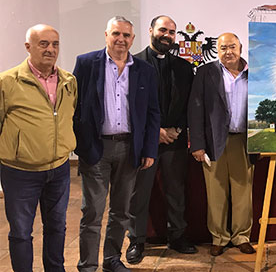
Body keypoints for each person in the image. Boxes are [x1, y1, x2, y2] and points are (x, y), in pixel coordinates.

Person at [74, 16, 160, 272]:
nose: (121, 39)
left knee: (121, 211)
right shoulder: (87, 63)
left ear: (133, 39)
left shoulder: (145, 70)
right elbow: (75, 107)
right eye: (116, 34)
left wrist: (149, 149)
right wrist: (82, 145)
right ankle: (87, 265)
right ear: (106, 35)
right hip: (96, 149)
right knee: (93, 212)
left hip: (129, 149)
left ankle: (112, 259)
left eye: (126, 35)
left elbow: (153, 113)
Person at [0, 24, 77, 272]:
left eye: (55, 44)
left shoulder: (68, 80)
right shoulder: (7, 81)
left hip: (59, 169)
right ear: (28, 47)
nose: (50, 49)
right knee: (22, 232)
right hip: (20, 172)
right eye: (43, 44)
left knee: (57, 227)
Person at [126, 15, 196, 265]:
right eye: (163, 30)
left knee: (176, 190)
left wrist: (177, 128)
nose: (167, 35)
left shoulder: (184, 67)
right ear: (151, 31)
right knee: (139, 192)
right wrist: (154, 131)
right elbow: (128, 105)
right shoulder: (133, 64)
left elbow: (190, 104)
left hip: (175, 139)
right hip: (145, 140)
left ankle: (177, 236)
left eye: (172, 32)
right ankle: (136, 240)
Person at [188, 32, 256, 256]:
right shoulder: (206, 72)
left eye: (232, 47)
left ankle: (241, 236)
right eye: (223, 48)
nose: (228, 52)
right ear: (218, 50)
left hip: (245, 141)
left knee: (243, 191)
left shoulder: (254, 73)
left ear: (241, 48)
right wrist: (197, 144)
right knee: (215, 192)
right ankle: (219, 237)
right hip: (214, 142)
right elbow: (195, 108)